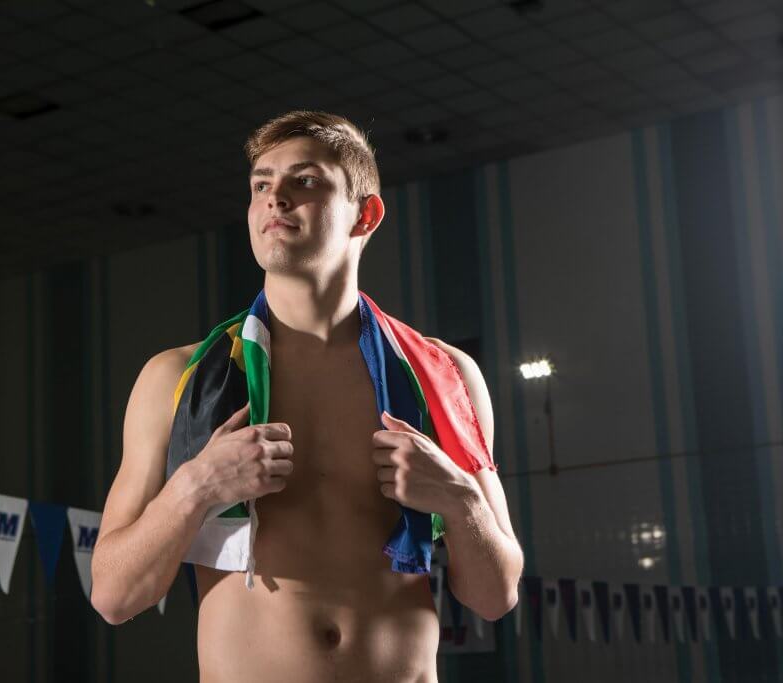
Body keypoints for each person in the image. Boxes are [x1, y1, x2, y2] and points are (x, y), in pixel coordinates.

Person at [90, 110, 524, 682]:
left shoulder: (443, 375)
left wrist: (459, 500)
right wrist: (195, 488)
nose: (276, 199)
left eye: (306, 181)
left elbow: (496, 595)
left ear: (364, 214)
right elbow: (115, 596)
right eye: (262, 185)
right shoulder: (179, 377)